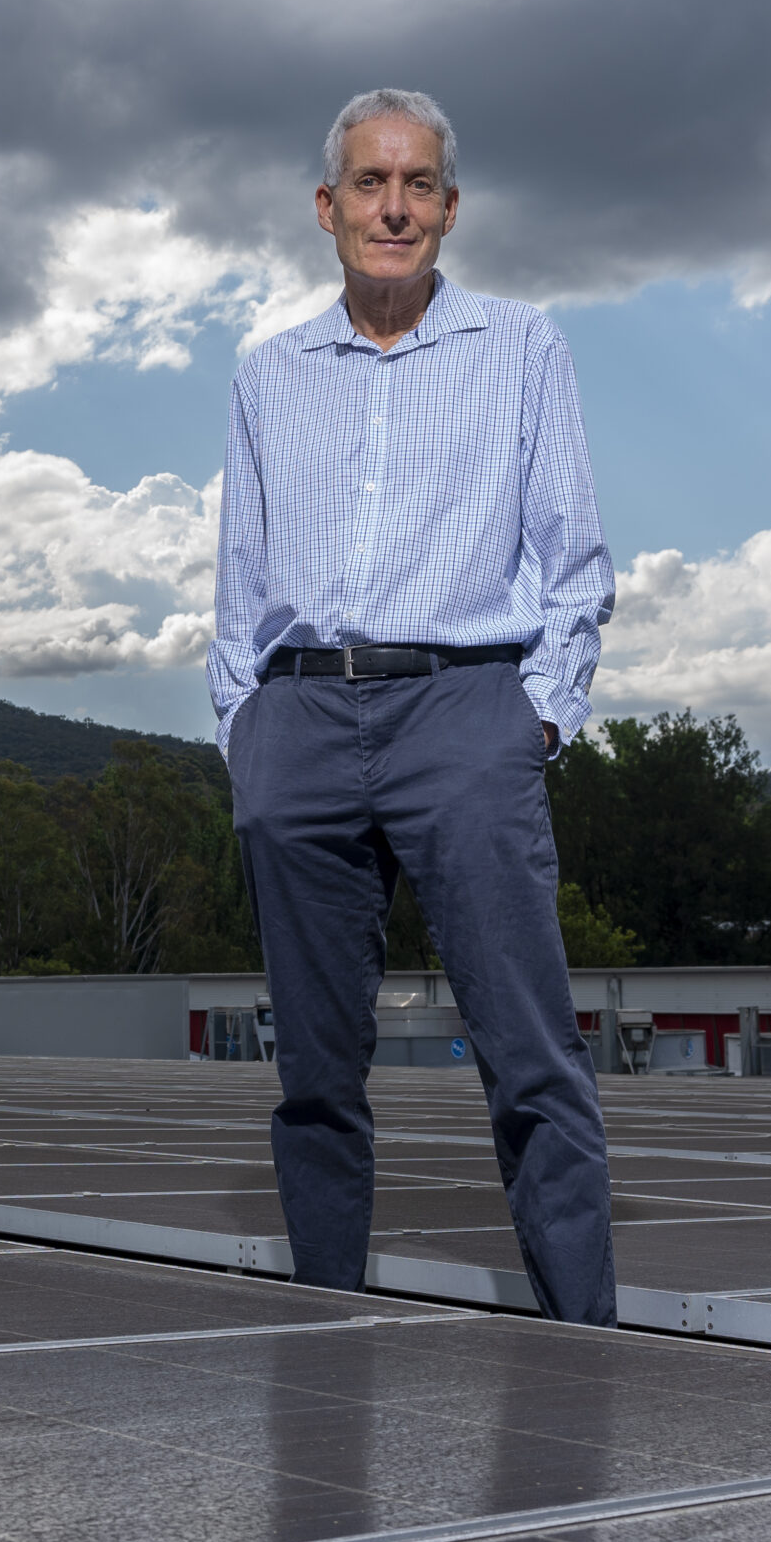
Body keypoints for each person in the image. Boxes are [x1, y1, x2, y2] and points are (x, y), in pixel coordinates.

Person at [207, 86, 617, 1321]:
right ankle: (324, 1328)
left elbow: (574, 560)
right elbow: (238, 580)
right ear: (326, 207)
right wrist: (246, 733)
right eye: (370, 183)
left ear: (449, 207)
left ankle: (585, 1337)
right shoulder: (269, 374)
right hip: (300, 723)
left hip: (464, 715)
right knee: (314, 1074)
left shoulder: (522, 348)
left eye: (418, 183)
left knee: (530, 1054)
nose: (394, 207)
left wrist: (536, 717)